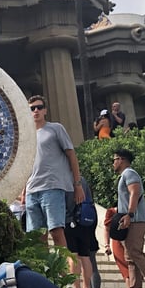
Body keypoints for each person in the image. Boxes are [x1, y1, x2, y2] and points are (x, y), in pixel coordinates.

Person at [24, 95, 85, 248]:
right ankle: (44, 271)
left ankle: (64, 272)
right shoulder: (27, 134)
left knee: (56, 231)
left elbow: (71, 155)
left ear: (45, 110)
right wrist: (24, 190)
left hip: (52, 186)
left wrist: (77, 184)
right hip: (32, 190)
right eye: (32, 108)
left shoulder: (55, 128)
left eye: (39, 107)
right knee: (37, 237)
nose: (36, 110)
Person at [112, 148, 145, 288]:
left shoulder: (129, 173)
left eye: (114, 160)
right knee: (129, 254)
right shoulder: (125, 175)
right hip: (131, 219)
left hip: (136, 220)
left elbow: (135, 192)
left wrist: (130, 214)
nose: (113, 163)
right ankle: (134, 286)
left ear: (121, 159)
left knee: (134, 251)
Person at [64, 176, 95, 288]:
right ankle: (87, 287)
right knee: (85, 256)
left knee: (73, 255)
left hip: (69, 220)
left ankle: (76, 286)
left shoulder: (64, 179)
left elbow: (63, 201)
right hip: (84, 221)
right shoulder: (83, 180)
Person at [103, 206, 129, 287]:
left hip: (129, 240)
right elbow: (107, 229)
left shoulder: (133, 210)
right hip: (117, 240)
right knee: (125, 269)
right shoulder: (111, 212)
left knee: (130, 267)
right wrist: (107, 245)